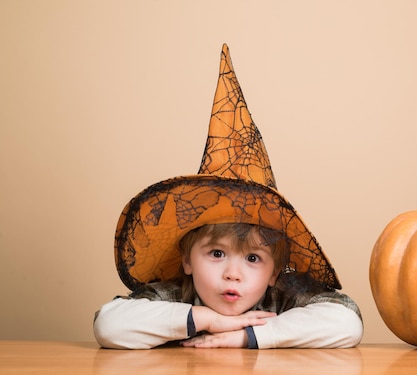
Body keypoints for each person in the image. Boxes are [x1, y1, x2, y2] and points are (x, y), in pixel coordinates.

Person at [93, 44, 363, 349]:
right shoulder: (178, 295)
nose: (233, 274)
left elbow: (347, 322)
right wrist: (206, 319)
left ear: (274, 273)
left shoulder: (282, 294)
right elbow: (108, 325)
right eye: (217, 254)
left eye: (252, 258)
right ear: (187, 259)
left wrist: (246, 335)